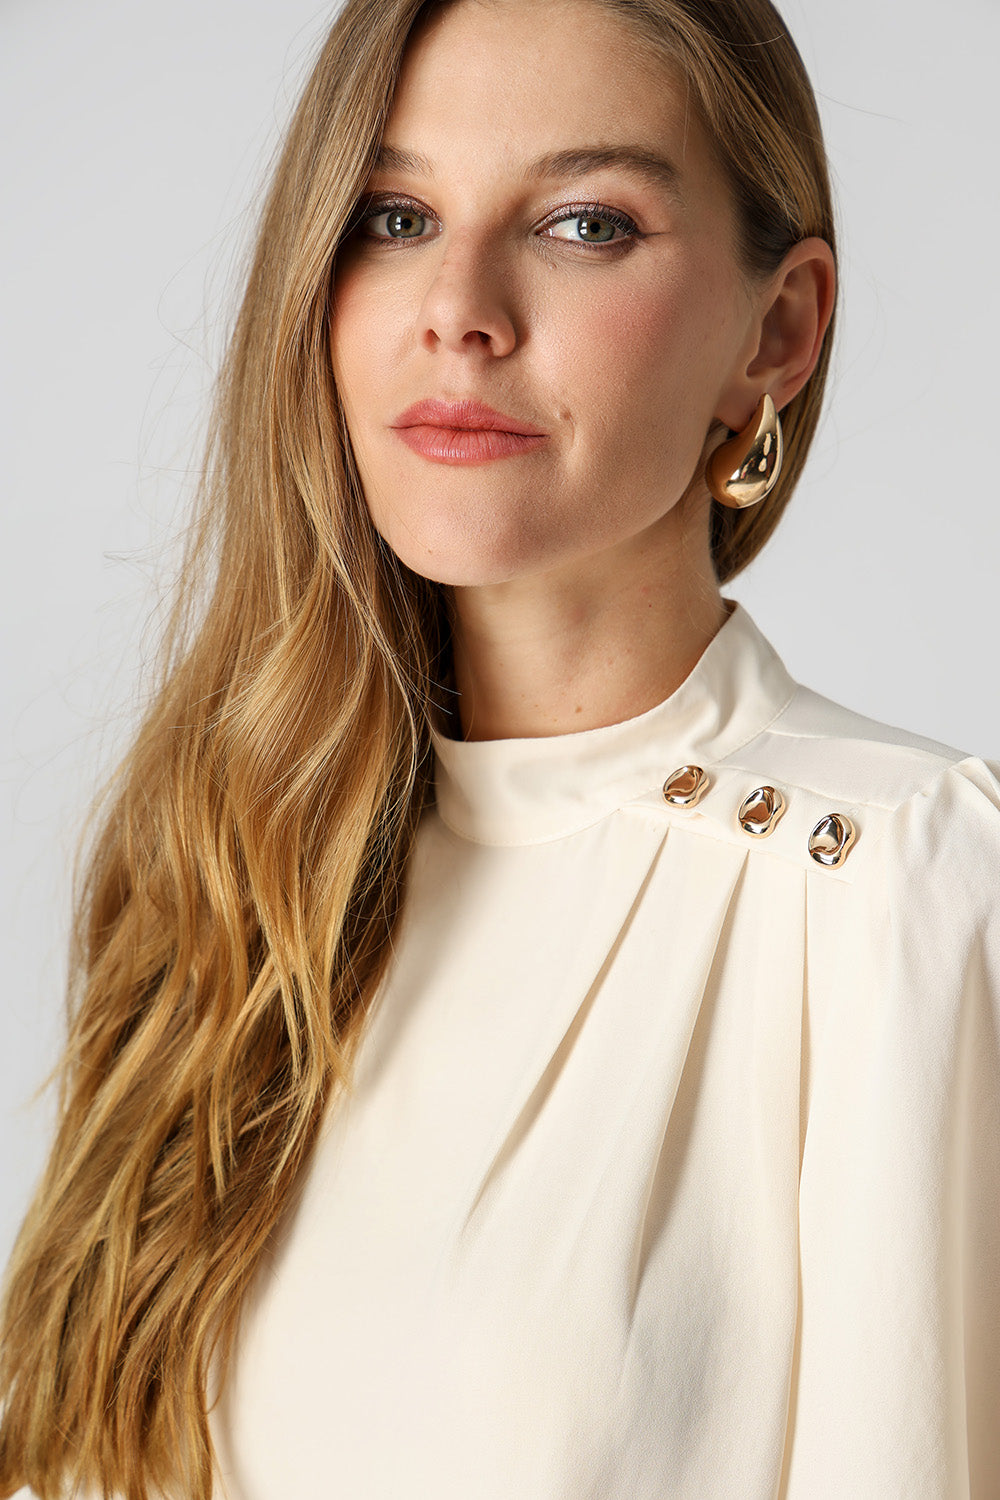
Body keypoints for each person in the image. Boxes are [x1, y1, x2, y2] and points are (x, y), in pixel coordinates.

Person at [1, 0, 998, 1495]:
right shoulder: (228, 867)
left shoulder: (895, 886)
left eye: (586, 224)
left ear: (776, 333)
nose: (458, 308)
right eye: (396, 217)